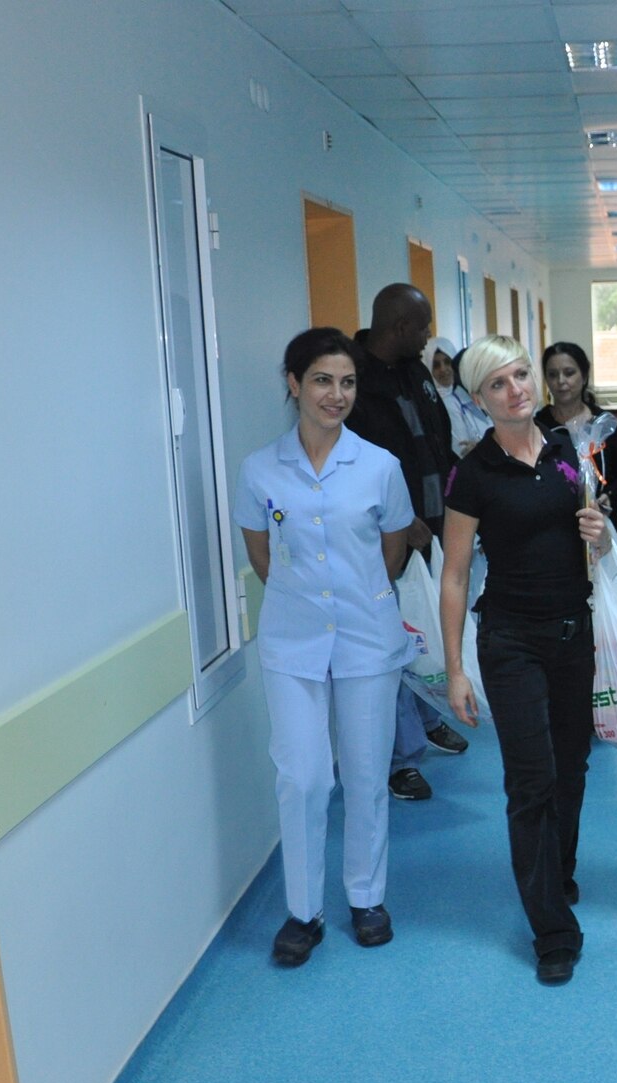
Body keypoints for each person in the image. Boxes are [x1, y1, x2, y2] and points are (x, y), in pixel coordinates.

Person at [235, 328, 417, 967]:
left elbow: (393, 548)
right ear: (294, 384)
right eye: (321, 380)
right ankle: (303, 912)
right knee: (303, 777)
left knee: (365, 774)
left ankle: (366, 898)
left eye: (347, 382)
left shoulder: (380, 466)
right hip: (292, 643)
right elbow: (262, 557)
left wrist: (359, 597)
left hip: (368, 638)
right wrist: (311, 603)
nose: (336, 395)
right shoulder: (259, 469)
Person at [438, 336, 611, 987]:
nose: (515, 390)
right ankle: (552, 931)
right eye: (498, 384)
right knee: (531, 778)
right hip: (510, 640)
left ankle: (556, 872)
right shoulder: (473, 473)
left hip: (574, 633)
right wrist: (455, 669)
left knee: (572, 766)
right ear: (479, 400)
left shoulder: (569, 452)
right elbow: (455, 575)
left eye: (519, 376)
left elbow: (595, 543)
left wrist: (601, 535)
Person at [348, 283, 469, 802]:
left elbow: (436, 441)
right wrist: (399, 521)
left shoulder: (416, 373)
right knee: (394, 643)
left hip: (435, 529)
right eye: (422, 327)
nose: (428, 337)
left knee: (425, 631)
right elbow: (353, 467)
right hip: (385, 540)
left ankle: (429, 716)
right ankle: (402, 761)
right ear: (400, 327)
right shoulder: (356, 380)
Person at [536, 341, 617, 528]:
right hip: (553, 528)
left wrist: (609, 495)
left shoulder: (605, 424)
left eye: (569, 373)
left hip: (601, 526)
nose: (561, 381)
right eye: (552, 375)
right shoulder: (538, 426)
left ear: (584, 376)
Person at [425, 336, 491, 457]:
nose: (443, 369)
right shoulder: (440, 403)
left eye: (447, 362)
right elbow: (462, 450)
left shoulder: (463, 393)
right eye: (436, 365)